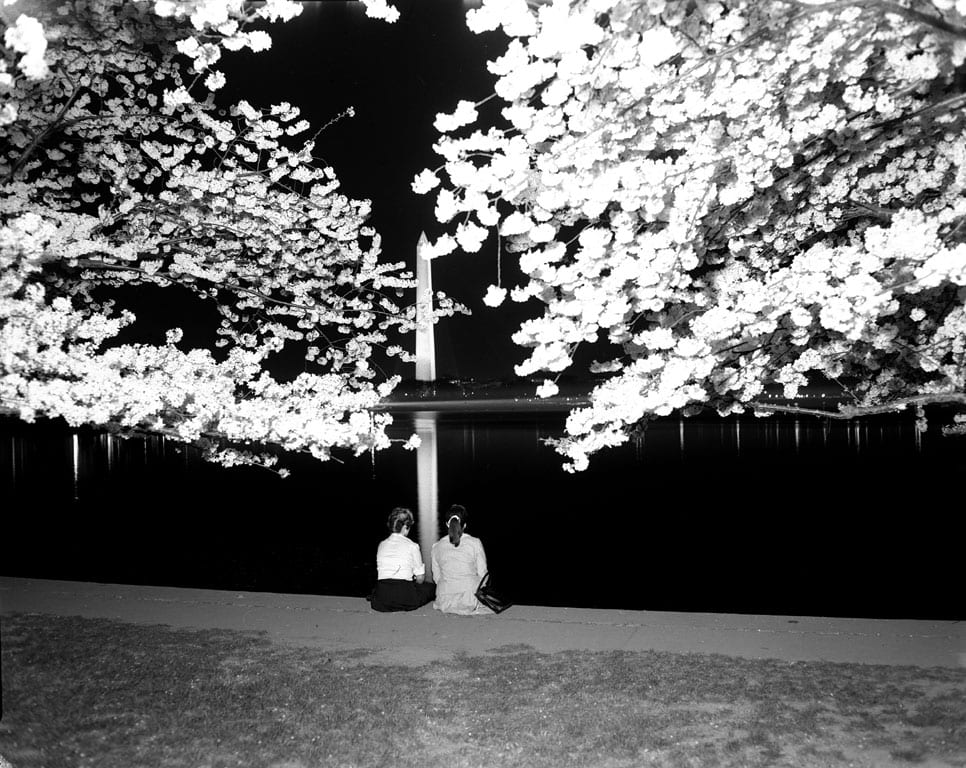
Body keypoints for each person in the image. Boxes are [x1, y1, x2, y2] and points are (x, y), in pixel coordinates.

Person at [369, 506, 435, 612]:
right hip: (406, 599)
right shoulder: (412, 546)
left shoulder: (382, 545)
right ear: (405, 527)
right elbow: (420, 579)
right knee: (431, 588)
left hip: (382, 599)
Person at [431, 504, 493, 615]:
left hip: (445, 599)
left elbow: (437, 578)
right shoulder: (475, 543)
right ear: (464, 525)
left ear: (447, 524)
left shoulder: (436, 546)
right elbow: (483, 574)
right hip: (469, 598)